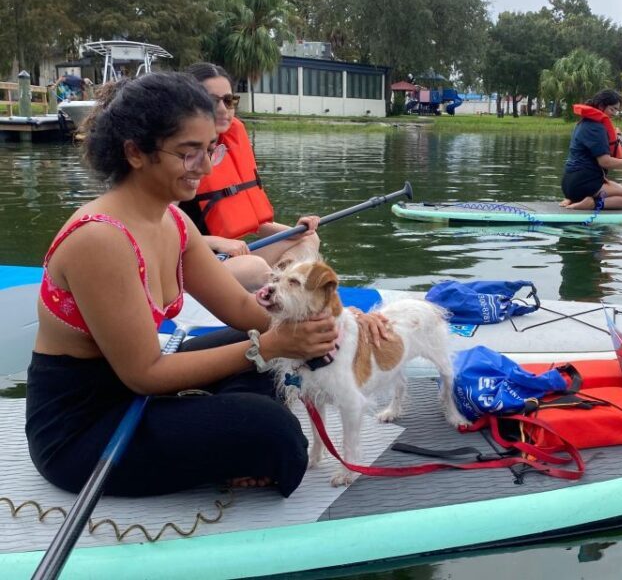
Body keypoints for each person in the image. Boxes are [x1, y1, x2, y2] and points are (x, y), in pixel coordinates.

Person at [25, 71, 386, 498]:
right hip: (82, 428)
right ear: (135, 152)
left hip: (130, 388)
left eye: (211, 149)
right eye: (189, 152)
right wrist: (270, 347)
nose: (208, 167)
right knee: (275, 431)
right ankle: (232, 445)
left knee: (259, 350)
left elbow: (246, 311)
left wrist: (344, 322)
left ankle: (216, 440)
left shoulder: (173, 220)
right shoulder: (101, 239)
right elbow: (145, 374)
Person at [181, 63, 320, 291]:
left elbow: (246, 219)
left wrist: (295, 230)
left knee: (308, 239)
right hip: (187, 262)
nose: (223, 109)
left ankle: (286, 291)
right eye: (211, 101)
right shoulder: (176, 156)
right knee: (254, 267)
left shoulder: (227, 147)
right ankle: (282, 293)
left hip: (224, 257)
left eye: (228, 100)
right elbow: (157, 233)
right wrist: (217, 242)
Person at [560, 89, 622, 210]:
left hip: (568, 184)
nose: (614, 113)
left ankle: (574, 198)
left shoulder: (584, 123)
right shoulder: (596, 128)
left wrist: (613, 134)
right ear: (601, 106)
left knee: (618, 191)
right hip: (583, 183)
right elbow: (605, 162)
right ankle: (592, 204)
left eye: (616, 110)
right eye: (612, 109)